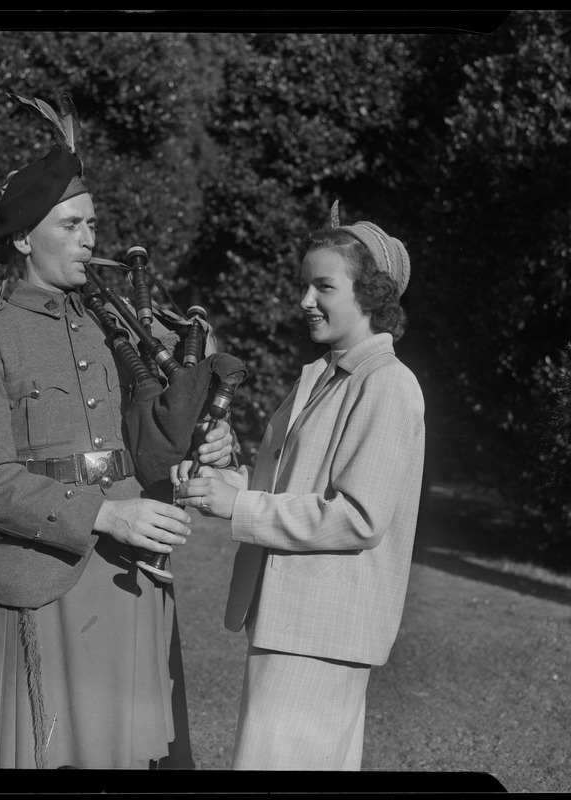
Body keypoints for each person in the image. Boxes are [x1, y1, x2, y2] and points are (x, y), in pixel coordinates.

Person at [0, 139, 234, 769]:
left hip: (131, 570)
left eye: (92, 224)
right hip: (45, 571)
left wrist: (215, 438)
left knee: (130, 756)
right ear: (24, 238)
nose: (87, 239)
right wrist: (104, 515)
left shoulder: (122, 323)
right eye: (70, 225)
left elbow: (176, 413)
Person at [172, 203, 425, 770]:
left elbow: (357, 517)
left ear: (372, 294)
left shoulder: (387, 385)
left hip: (323, 629)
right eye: (304, 285)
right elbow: (290, 485)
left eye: (323, 287)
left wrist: (238, 506)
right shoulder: (323, 376)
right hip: (292, 620)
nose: (305, 301)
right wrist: (224, 482)